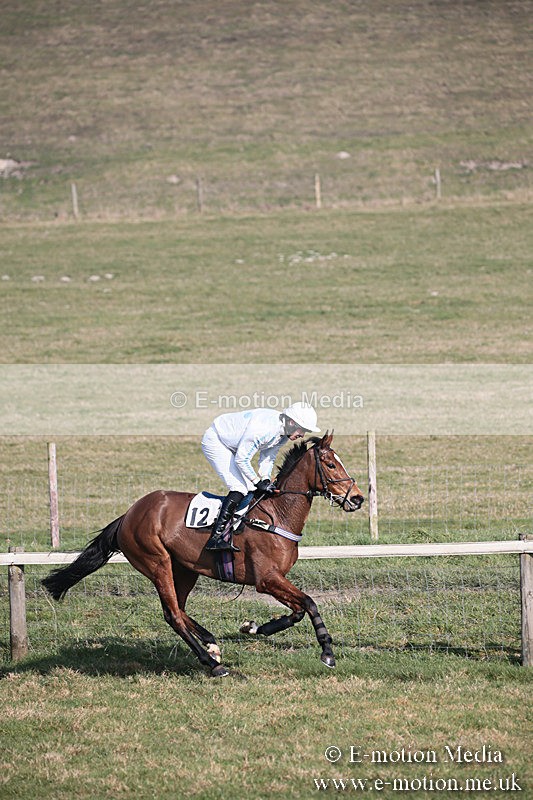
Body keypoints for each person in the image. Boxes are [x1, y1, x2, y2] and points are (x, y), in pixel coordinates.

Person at [201, 402, 320, 552]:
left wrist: (265, 477)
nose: (302, 435)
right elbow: (242, 459)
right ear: (291, 422)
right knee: (239, 488)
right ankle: (215, 538)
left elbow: (268, 457)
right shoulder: (265, 429)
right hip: (216, 441)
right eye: (302, 430)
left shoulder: (283, 433)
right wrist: (257, 482)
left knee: (249, 488)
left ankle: (236, 528)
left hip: (232, 443)